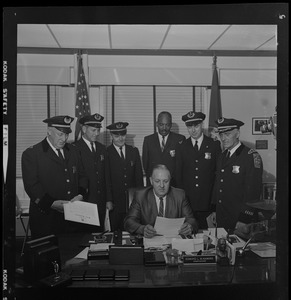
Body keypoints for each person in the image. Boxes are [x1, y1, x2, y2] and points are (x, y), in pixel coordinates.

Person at [21, 115, 88, 239]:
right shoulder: (32, 154)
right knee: (46, 257)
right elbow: (31, 186)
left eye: (67, 134)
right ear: (49, 131)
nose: (64, 138)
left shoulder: (73, 151)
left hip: (72, 221)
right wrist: (51, 203)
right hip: (46, 220)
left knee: (73, 255)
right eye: (60, 134)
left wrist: (80, 195)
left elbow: (83, 177)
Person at [209, 117, 263, 230]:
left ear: (237, 133)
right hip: (222, 217)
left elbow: (253, 192)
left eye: (227, 134)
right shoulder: (222, 156)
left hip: (240, 219)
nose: (223, 138)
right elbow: (218, 184)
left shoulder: (250, 156)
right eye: (221, 134)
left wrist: (244, 218)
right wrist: (215, 210)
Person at [124, 164, 198, 238]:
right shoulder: (140, 196)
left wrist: (189, 227)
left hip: (173, 242)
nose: (162, 185)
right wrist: (142, 229)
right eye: (157, 181)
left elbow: (191, 220)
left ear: (170, 181)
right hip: (149, 241)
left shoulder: (180, 195)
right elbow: (129, 221)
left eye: (165, 181)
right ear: (151, 181)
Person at [175, 111, 221, 229]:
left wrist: (214, 205)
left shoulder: (213, 145)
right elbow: (178, 177)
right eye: (189, 126)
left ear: (202, 125)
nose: (193, 130)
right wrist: (181, 203)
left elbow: (218, 177)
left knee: (206, 238)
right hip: (187, 204)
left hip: (207, 203)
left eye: (196, 126)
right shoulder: (181, 146)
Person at [73, 113, 112, 232]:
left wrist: (109, 199)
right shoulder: (74, 148)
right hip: (85, 201)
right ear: (84, 129)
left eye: (98, 130)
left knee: (100, 237)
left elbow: (107, 176)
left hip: (100, 202)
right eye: (93, 130)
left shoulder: (102, 148)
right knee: (85, 236)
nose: (97, 133)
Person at [106, 121, 144, 231]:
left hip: (132, 202)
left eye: (122, 135)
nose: (120, 138)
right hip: (115, 202)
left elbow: (139, 178)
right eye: (116, 136)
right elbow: (106, 179)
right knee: (116, 232)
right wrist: (109, 200)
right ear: (111, 136)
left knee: (133, 231)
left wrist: (140, 200)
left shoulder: (134, 151)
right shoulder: (106, 152)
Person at [142, 111, 185, 187]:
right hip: (154, 185)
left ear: (171, 125)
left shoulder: (179, 139)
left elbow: (181, 165)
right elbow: (146, 164)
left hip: (174, 184)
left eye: (167, 125)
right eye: (161, 125)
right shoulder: (148, 140)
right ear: (157, 124)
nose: (164, 128)